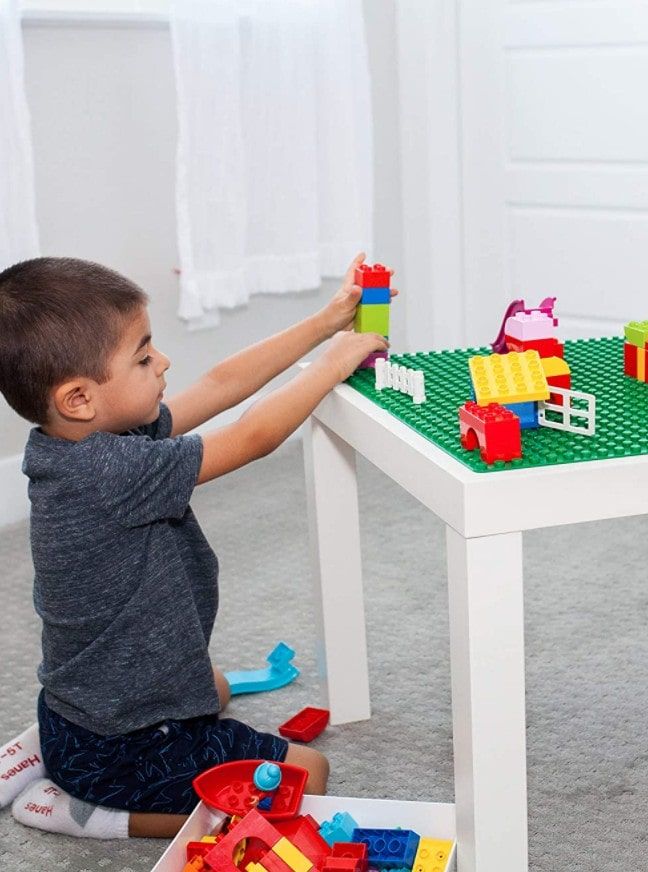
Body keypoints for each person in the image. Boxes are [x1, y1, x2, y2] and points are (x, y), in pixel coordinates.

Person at [0, 253, 388, 838]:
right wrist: (332, 365)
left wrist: (325, 322)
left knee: (214, 686)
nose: (163, 362)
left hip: (87, 712)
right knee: (308, 775)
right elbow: (254, 436)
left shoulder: (79, 443)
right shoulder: (109, 471)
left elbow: (219, 384)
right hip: (126, 748)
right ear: (78, 398)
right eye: (143, 357)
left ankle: (51, 749)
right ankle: (86, 812)